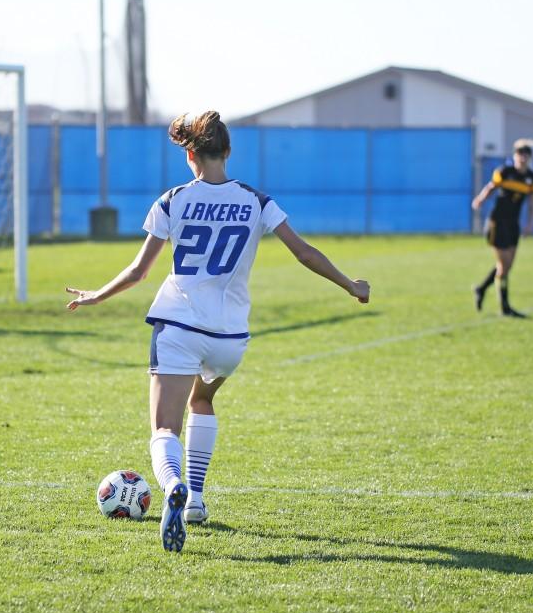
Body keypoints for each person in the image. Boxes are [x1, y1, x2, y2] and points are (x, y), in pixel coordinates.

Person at [66, 111, 370, 553]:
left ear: (190, 154)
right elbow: (304, 252)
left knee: (164, 428)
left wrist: (96, 295)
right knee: (202, 400)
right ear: (227, 152)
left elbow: (138, 271)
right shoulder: (257, 201)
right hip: (230, 339)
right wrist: (350, 284)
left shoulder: (172, 200)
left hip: (178, 327)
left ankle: (172, 486)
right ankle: (196, 501)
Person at [470, 139, 533, 318]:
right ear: (514, 156)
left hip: (513, 224)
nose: (522, 158)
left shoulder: (532, 178)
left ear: (529, 157)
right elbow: (491, 187)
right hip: (497, 222)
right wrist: (480, 199)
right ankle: (505, 307)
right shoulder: (504, 172)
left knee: (507, 266)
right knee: (503, 266)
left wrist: (530, 223)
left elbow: (532, 202)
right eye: (519, 154)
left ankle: (481, 289)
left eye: (525, 154)